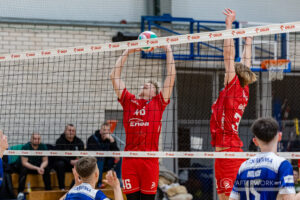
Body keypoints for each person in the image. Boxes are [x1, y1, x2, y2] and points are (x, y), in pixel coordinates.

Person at [110, 45, 176, 200]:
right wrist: (127, 52)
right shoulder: (129, 101)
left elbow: (171, 76)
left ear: (155, 92)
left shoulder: (158, 103)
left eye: (150, 85)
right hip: (130, 160)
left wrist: (167, 49)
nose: (146, 84)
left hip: (150, 161)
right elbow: (114, 76)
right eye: (145, 84)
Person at [210, 8, 257, 200]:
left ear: (234, 75)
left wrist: (228, 26)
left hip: (230, 154)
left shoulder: (233, 88)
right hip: (222, 156)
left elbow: (228, 56)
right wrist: (249, 42)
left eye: (230, 71)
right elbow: (245, 63)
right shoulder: (243, 89)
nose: (225, 72)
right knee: (222, 197)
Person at [229, 118, 295, 200]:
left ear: (255, 141)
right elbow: (289, 198)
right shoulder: (283, 165)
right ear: (279, 136)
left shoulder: (243, 166)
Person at [87, 122, 121, 187]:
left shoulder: (111, 139)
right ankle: (99, 182)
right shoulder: (93, 138)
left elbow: (116, 151)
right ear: (100, 131)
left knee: (119, 158)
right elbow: (92, 153)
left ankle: (118, 180)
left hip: (106, 163)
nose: (106, 132)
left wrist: (112, 141)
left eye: (108, 130)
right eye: (104, 130)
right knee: (100, 157)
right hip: (95, 164)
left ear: (110, 132)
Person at [17, 133, 51, 199]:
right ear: (31, 139)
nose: (36, 140)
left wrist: (41, 167)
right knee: (23, 169)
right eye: (35, 138)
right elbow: (24, 163)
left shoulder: (43, 147)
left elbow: (45, 161)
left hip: (38, 167)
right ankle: (20, 192)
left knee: (46, 168)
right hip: (28, 167)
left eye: (38, 139)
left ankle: (48, 190)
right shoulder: (26, 147)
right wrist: (37, 168)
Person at [55, 124, 84, 190]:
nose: (71, 132)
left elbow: (82, 155)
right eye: (69, 130)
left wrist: (78, 161)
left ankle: (77, 187)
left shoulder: (79, 142)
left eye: (73, 131)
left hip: (75, 164)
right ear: (65, 131)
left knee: (82, 164)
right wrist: (69, 161)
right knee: (60, 164)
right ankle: (62, 187)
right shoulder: (60, 141)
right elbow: (58, 155)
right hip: (64, 164)